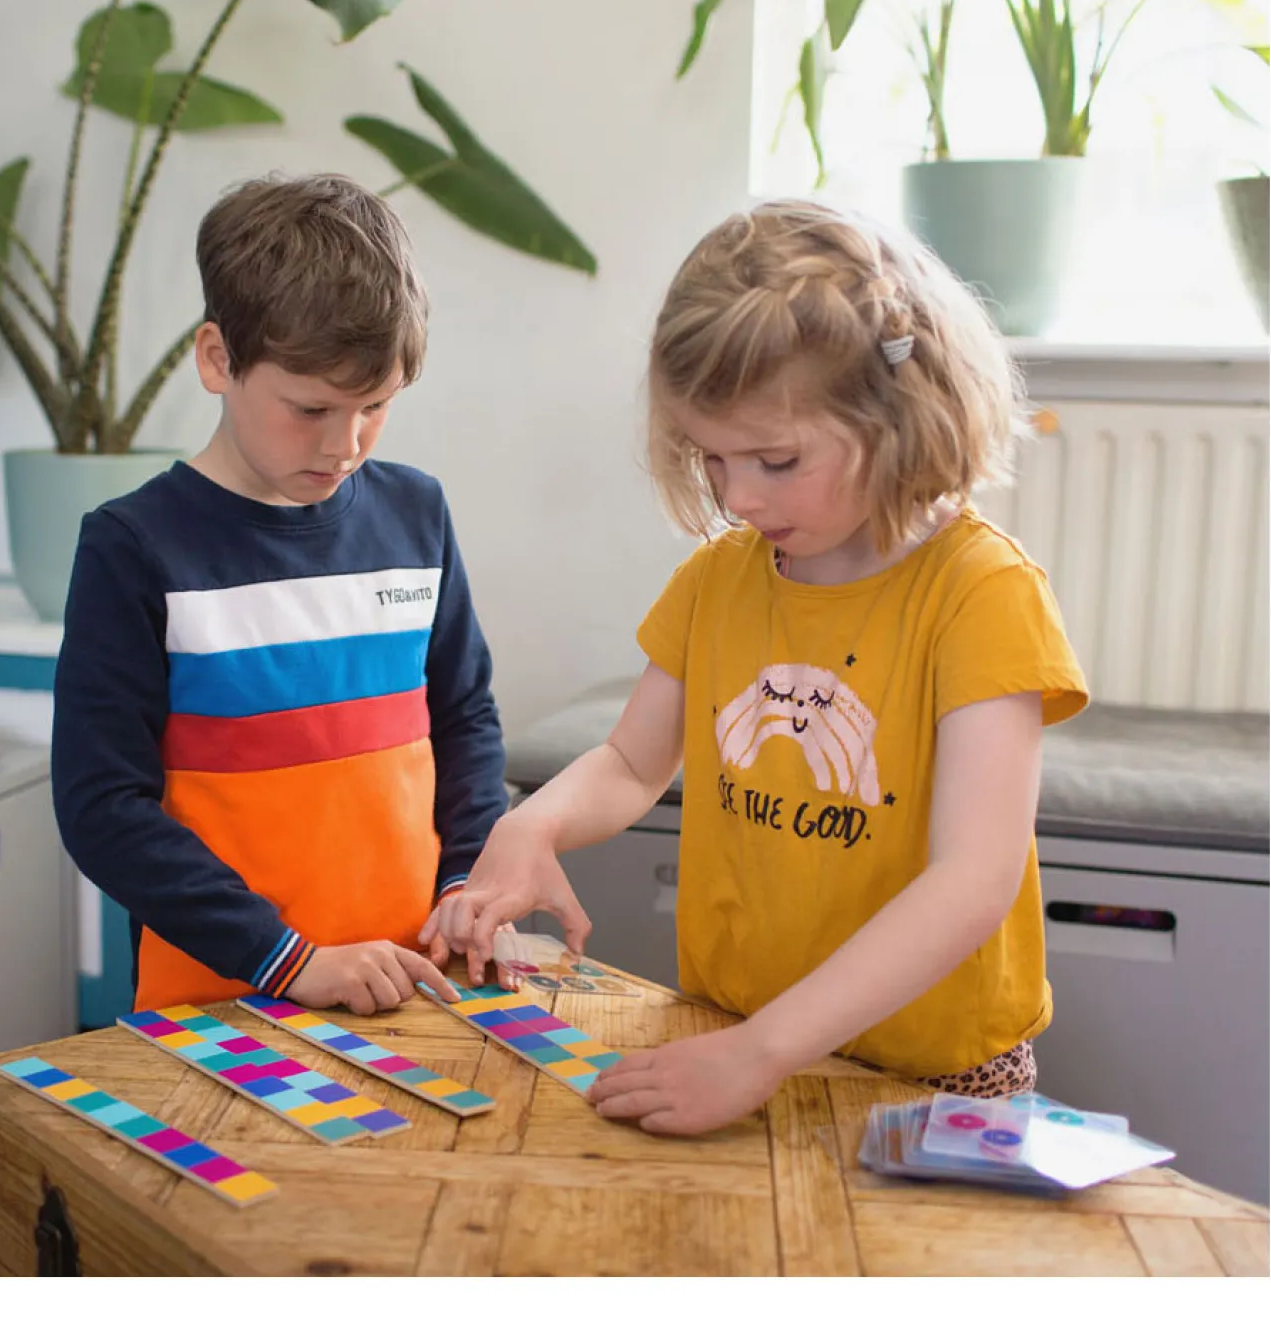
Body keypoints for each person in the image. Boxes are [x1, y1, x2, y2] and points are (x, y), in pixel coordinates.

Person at [422, 200, 1089, 1134]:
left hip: (933, 1077)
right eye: (712, 459)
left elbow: (972, 883)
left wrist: (764, 1050)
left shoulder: (982, 594)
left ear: (897, 418)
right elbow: (632, 763)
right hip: (734, 1042)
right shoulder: (718, 580)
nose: (737, 497)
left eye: (775, 460)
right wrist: (533, 826)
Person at [52, 173, 510, 1017]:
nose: (345, 444)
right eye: (311, 409)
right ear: (217, 359)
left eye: (375, 407)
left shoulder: (418, 515)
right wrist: (290, 961)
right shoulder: (134, 549)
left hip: (417, 984)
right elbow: (102, 809)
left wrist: (467, 886)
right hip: (223, 1003)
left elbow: (464, 719)